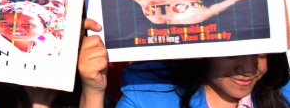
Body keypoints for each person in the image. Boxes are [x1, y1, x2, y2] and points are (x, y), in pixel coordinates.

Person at [116, 54, 289, 108]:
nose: (247, 70)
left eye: (262, 54)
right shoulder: (147, 99)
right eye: (232, 54)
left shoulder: (282, 95)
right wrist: (94, 91)